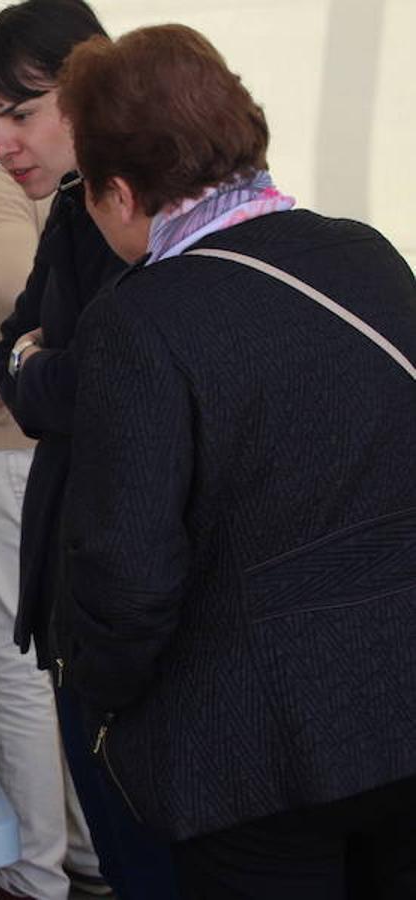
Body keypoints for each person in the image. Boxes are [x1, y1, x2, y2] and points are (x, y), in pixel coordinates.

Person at [57, 25, 416, 898]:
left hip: (252, 750)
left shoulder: (140, 320)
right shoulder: (363, 253)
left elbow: (126, 575)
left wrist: (99, 703)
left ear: (118, 191)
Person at [0, 2, 181, 897]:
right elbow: (25, 346)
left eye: (20, 111)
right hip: (82, 517)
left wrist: (40, 365)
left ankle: (37, 873)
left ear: (92, 86)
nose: (2, 142)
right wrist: (35, 363)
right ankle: (70, 866)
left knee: (49, 693)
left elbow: (84, 374)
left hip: (124, 542)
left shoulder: (134, 208)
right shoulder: (77, 217)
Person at [0, 155, 102, 900]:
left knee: (15, 672)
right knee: (68, 662)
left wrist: (10, 366)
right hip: (73, 451)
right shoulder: (99, 177)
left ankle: (28, 872)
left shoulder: (5, 179)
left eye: (8, 114)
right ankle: (85, 854)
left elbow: (7, 283)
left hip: (10, 453)